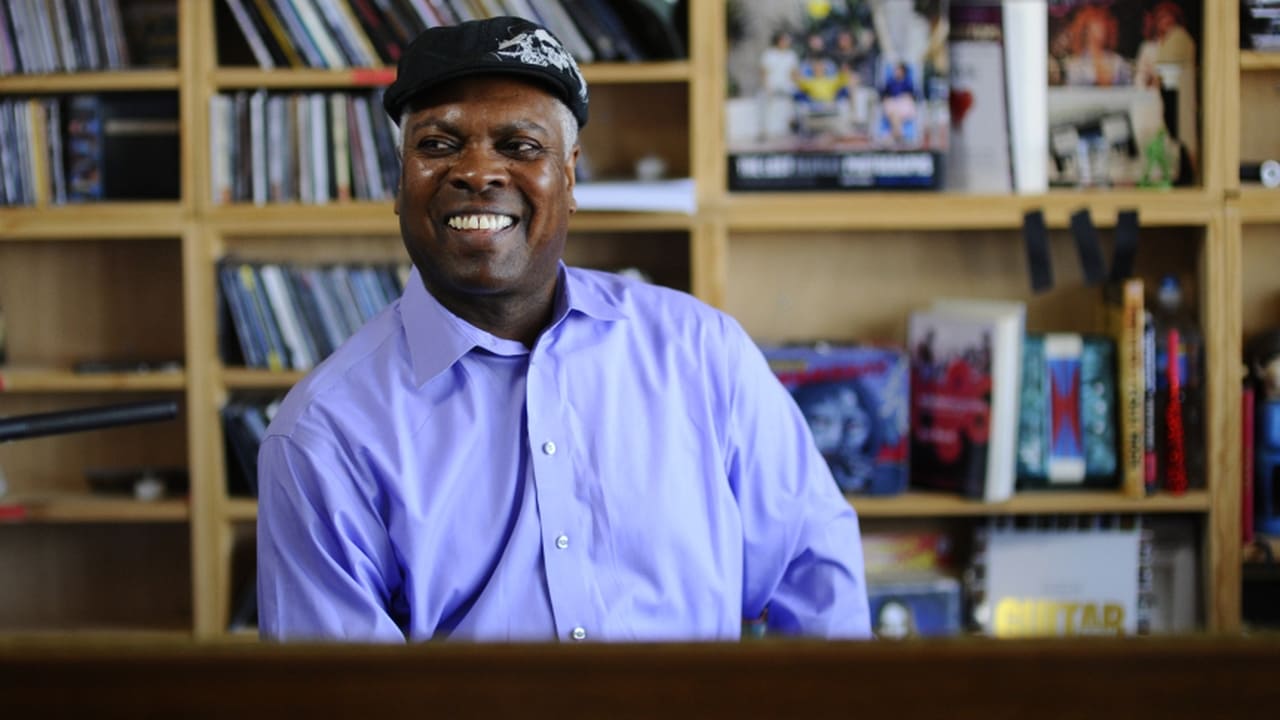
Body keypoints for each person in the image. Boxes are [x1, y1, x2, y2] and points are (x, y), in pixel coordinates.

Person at [255, 16, 871, 643]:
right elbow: (337, 697)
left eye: (520, 146)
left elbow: (817, 583)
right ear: (398, 180)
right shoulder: (323, 436)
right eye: (437, 145)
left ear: (571, 176)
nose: (477, 172)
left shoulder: (702, 353)